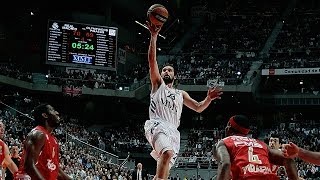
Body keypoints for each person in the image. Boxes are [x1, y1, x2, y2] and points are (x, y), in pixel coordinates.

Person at [144, 21, 223, 180]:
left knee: (164, 170)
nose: (166, 71)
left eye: (169, 70)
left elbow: (199, 108)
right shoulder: (158, 85)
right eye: (164, 70)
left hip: (173, 131)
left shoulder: (181, 94)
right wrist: (154, 37)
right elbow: (152, 61)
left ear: (175, 76)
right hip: (157, 124)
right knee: (166, 154)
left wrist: (208, 98)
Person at [213, 115, 298, 180]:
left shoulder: (224, 142)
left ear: (228, 128)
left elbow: (225, 164)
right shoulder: (261, 144)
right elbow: (288, 159)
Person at [15, 104, 71, 180]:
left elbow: (56, 171)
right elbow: (29, 166)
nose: (57, 113)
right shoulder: (38, 134)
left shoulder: (54, 140)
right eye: (53, 110)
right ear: (45, 115)